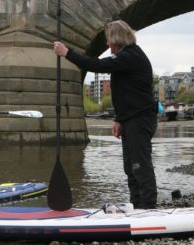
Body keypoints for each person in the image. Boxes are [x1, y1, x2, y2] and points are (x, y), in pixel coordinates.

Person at [53, 20, 157, 209]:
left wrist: (67, 53)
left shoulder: (130, 56)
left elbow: (96, 65)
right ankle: (138, 204)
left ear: (116, 38)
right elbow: (126, 92)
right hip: (130, 118)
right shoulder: (126, 58)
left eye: (108, 40)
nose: (107, 44)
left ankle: (149, 206)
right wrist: (119, 119)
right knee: (130, 167)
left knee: (140, 165)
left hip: (140, 119)